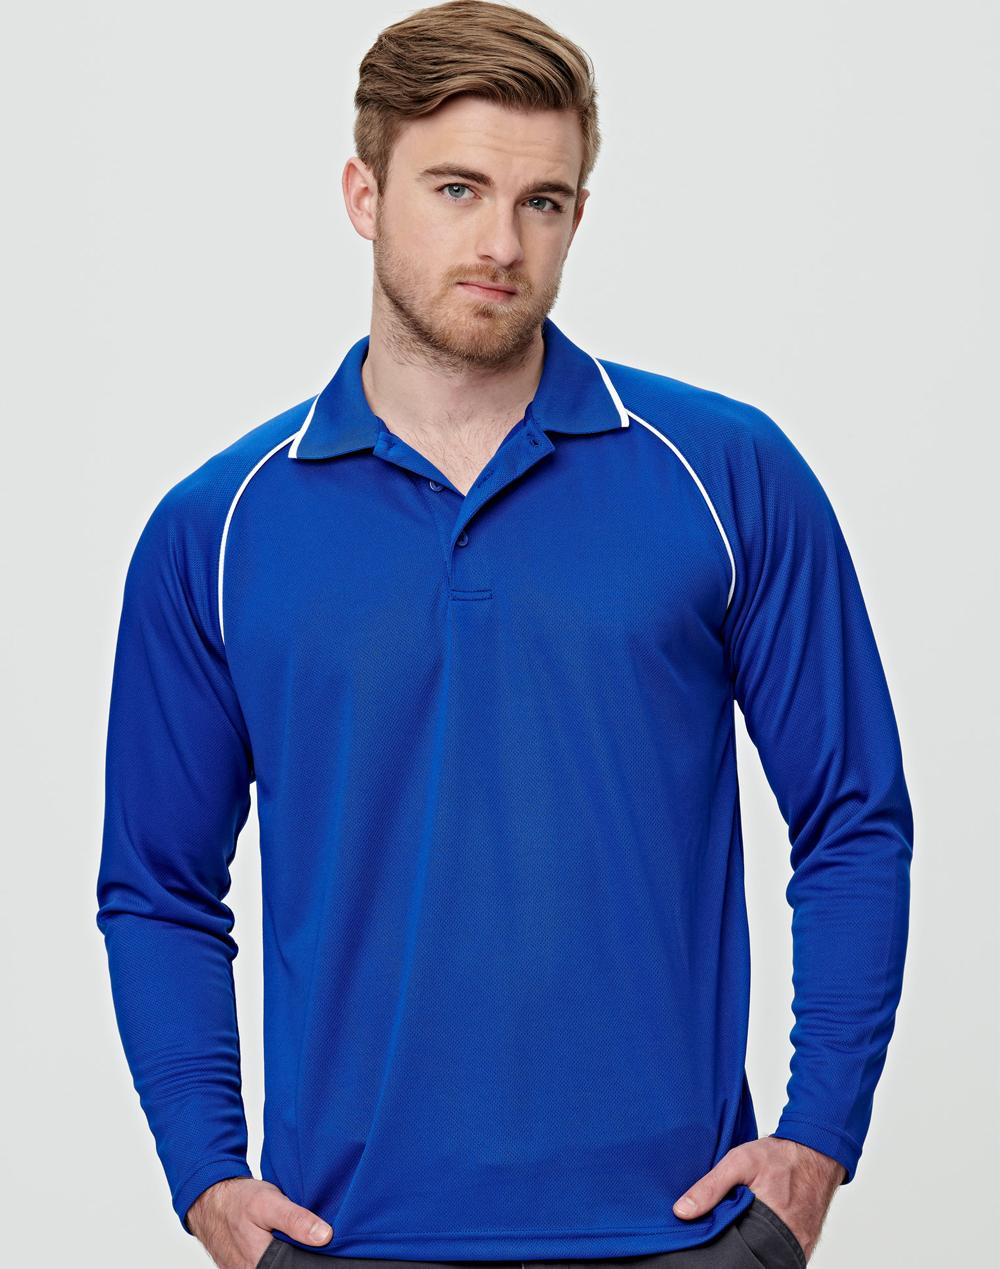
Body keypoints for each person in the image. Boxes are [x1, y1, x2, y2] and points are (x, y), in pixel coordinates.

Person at [95, 2, 913, 1266]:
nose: (500, 243)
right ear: (364, 196)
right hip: (345, 1239)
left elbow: (854, 814)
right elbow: (157, 885)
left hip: (677, 1234)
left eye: (543, 201)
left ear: (578, 215)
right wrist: (205, 1176)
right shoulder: (218, 527)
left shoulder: (726, 475)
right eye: (457, 189)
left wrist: (817, 1138)